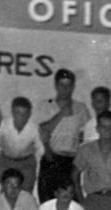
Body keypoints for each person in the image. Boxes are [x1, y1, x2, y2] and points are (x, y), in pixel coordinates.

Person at [37, 69, 90, 202]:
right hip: (51, 157)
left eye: (68, 85)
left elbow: (85, 134)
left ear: (73, 87)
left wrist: (80, 154)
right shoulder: (46, 104)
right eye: (62, 85)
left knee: (72, 201)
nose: (65, 89)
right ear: (55, 85)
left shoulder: (81, 107)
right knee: (48, 200)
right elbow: (42, 130)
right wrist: (61, 114)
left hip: (71, 160)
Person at [0, 96, 42, 197]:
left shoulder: (34, 128)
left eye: (25, 114)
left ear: (29, 114)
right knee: (5, 194)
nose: (21, 117)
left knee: (25, 195)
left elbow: (40, 151)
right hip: (6, 162)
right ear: (12, 112)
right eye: (18, 113)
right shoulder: (3, 124)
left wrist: (37, 170)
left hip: (26, 164)